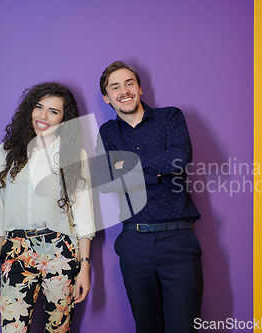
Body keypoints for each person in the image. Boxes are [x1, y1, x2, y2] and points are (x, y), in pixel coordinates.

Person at [95, 61, 203, 333]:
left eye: (129, 83)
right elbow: (108, 179)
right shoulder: (108, 132)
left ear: (140, 88)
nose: (124, 90)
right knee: (146, 328)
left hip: (178, 239)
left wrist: (129, 165)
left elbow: (179, 158)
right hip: (134, 242)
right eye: (115, 86)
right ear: (107, 98)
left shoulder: (170, 117)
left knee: (184, 328)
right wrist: (157, 173)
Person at [0, 82, 95, 333]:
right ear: (29, 109)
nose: (43, 116)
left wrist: (84, 265)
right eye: (39, 107)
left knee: (58, 330)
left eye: (53, 111)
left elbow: (84, 216)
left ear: (65, 119)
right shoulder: (7, 153)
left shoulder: (75, 156)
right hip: (15, 251)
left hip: (61, 251)